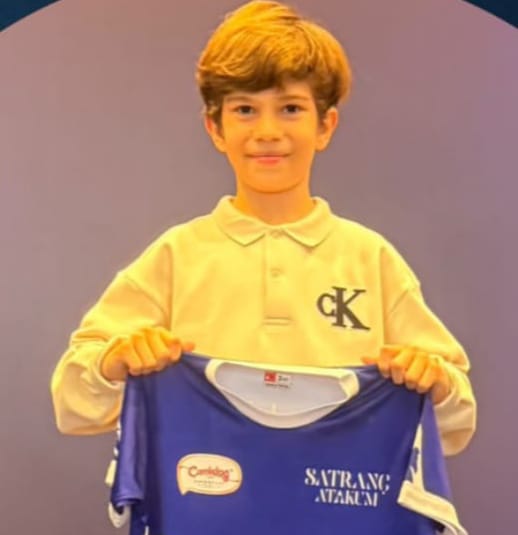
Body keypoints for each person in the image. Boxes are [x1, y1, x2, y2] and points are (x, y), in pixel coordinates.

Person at [50, 0, 476, 455]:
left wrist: (432, 380)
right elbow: (73, 405)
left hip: (337, 494)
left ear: (325, 125)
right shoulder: (177, 257)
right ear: (215, 128)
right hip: (204, 494)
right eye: (245, 110)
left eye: (290, 108)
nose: (268, 131)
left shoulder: (370, 260)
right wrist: (116, 361)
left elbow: (455, 424)